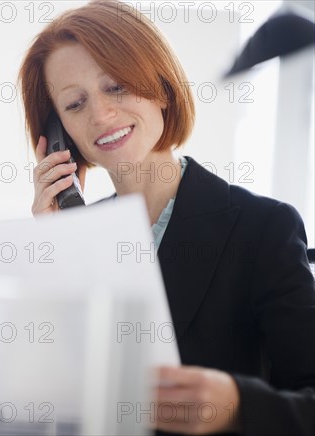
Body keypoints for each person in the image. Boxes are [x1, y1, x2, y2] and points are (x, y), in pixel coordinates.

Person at [18, 1, 315, 435]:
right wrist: (53, 251)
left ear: (160, 85)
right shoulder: (77, 238)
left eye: (116, 87)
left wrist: (237, 405)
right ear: (59, 133)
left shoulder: (264, 229)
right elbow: (19, 403)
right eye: (76, 104)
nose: (101, 115)